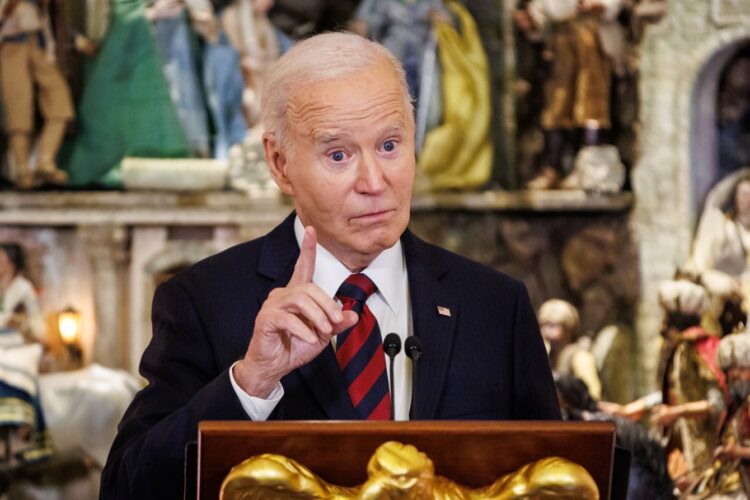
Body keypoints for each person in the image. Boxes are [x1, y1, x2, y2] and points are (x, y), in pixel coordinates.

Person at [100, 32, 560, 499]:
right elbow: (126, 487)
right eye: (338, 154)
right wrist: (252, 381)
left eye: (389, 145)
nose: (374, 181)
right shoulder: (203, 301)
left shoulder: (496, 307)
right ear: (280, 164)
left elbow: (555, 478)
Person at [0, 0, 74, 189]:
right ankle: (22, 170)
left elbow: (46, 20)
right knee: (18, 110)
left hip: (38, 45)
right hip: (11, 47)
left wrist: (50, 47)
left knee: (59, 100)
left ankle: (45, 161)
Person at [689, 333, 750, 498]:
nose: (735, 375)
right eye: (731, 370)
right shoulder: (735, 408)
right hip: (731, 482)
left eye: (742, 369)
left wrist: (737, 452)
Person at [538, 298, 602, 399]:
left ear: (568, 327)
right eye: (542, 325)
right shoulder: (549, 356)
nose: (545, 331)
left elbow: (593, 395)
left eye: (552, 325)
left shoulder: (579, 356)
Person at [0, 243, 45, 343]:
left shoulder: (23, 287)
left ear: (11, 264)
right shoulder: (2, 286)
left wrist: (19, 321)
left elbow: (35, 320)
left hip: (16, 342)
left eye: (1, 259)